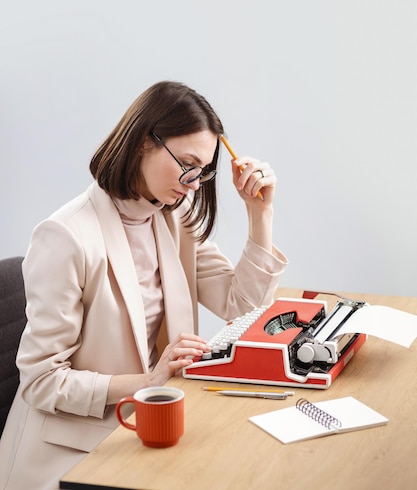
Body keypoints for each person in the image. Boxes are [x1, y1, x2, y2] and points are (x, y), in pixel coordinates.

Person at [0, 80, 288, 489]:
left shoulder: (176, 214)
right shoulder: (65, 236)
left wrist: (261, 215)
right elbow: (42, 381)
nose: (194, 181)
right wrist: (149, 382)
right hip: (72, 453)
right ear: (142, 144)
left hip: (148, 427)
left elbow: (241, 305)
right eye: (187, 163)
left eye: (204, 171)